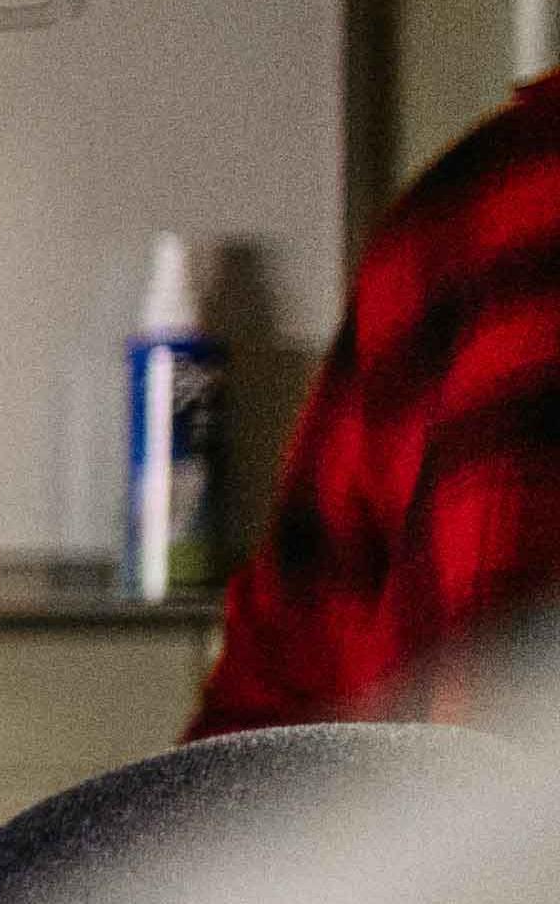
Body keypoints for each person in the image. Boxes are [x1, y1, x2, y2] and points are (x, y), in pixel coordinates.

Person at [187, 76, 560, 738]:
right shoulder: (469, 218)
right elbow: (289, 664)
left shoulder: (474, 205)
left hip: (440, 822)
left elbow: (273, 695)